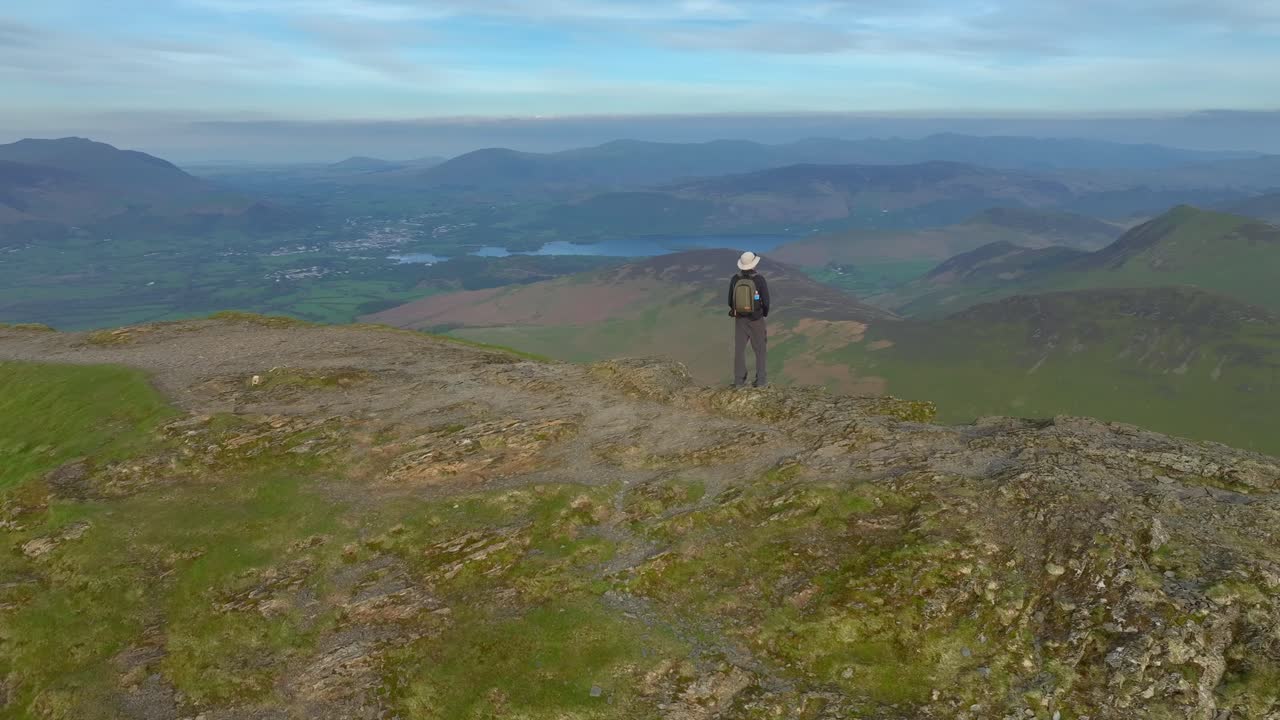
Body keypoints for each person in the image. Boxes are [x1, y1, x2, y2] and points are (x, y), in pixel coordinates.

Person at [727, 251, 771, 388]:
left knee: (739, 350)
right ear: (754, 263)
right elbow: (766, 300)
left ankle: (739, 381)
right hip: (756, 319)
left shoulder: (735, 279)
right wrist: (763, 313)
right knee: (760, 350)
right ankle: (761, 381)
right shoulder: (759, 279)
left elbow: (730, 300)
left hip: (740, 319)